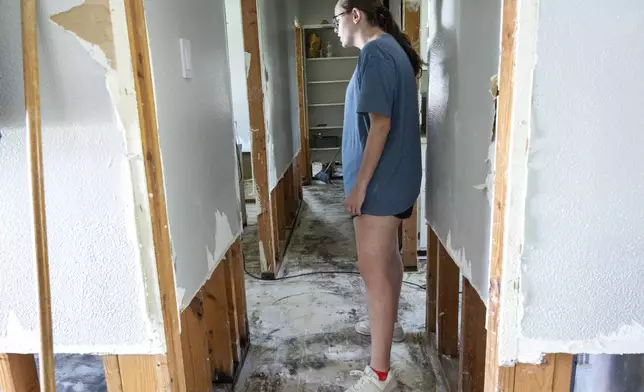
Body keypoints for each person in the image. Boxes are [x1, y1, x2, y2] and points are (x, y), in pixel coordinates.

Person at [333, 1, 422, 391]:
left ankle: (380, 375)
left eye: (336, 18)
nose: (333, 26)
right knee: (386, 263)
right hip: (394, 181)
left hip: (381, 186)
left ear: (356, 15)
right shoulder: (390, 51)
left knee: (373, 275)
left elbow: (380, 126)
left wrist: (359, 186)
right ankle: (389, 326)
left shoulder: (375, 53)